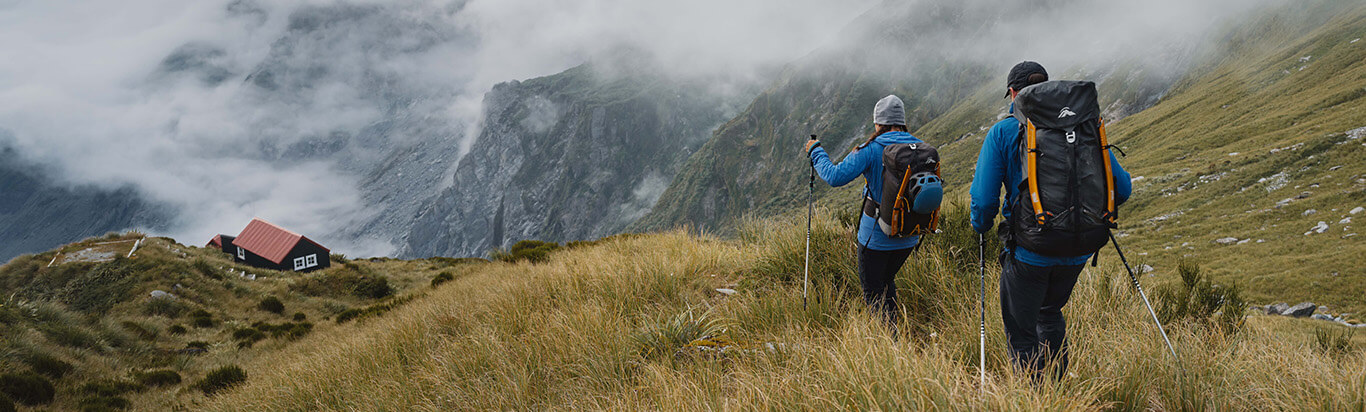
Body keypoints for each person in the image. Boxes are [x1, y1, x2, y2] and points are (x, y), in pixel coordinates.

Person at [969, 61, 1133, 378]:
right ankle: (1058, 388)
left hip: (1029, 250)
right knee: (1050, 311)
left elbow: (984, 199)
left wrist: (980, 225)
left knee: (1022, 333)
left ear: (1013, 94)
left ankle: (1034, 399)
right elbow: (1122, 188)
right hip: (1079, 247)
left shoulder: (1003, 132)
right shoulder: (1085, 126)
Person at [804, 95, 925, 327]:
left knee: (872, 292)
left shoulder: (870, 149)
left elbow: (834, 176)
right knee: (886, 281)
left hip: (876, 238)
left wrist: (815, 151)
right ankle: (894, 332)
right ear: (902, 121)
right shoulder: (919, 146)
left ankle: (888, 346)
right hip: (909, 236)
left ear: (878, 123)